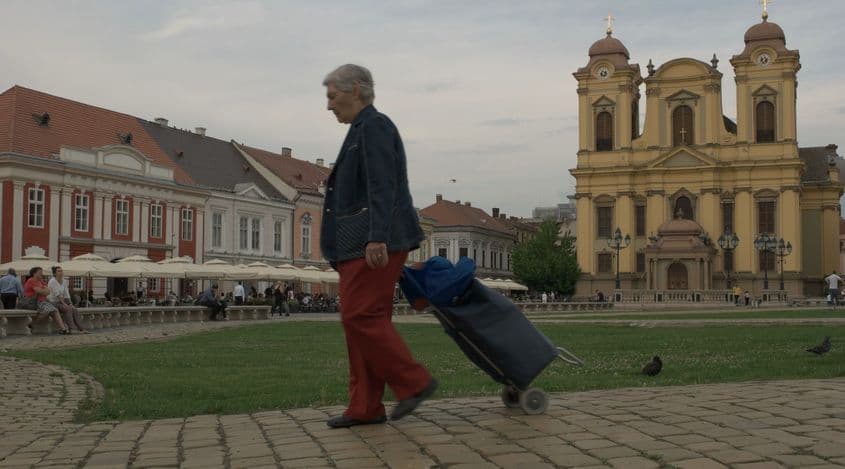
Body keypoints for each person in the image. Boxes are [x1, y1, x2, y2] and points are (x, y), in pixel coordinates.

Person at [321, 64, 437, 428]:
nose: (328, 105)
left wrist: (377, 236)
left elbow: (382, 185)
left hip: (371, 242)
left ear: (355, 89)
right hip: (359, 242)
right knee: (360, 324)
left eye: (332, 96)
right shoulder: (361, 128)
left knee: (360, 316)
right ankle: (365, 407)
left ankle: (414, 382)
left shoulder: (374, 126)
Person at [22, 267, 69, 334]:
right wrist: (44, 290)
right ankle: (32, 324)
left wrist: (43, 290)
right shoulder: (31, 280)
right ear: (34, 273)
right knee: (49, 310)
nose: (42, 274)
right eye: (40, 272)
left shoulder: (40, 281)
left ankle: (63, 329)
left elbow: (48, 291)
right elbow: (40, 291)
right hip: (32, 302)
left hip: (42, 301)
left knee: (55, 311)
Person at [48, 266, 87, 333]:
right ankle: (72, 329)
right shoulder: (52, 281)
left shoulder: (64, 281)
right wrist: (65, 304)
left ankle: (81, 328)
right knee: (68, 309)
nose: (61, 272)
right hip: (53, 302)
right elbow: (58, 295)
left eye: (61, 271)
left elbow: (67, 294)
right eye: (59, 271)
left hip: (61, 302)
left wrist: (70, 304)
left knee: (74, 309)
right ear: (54, 273)